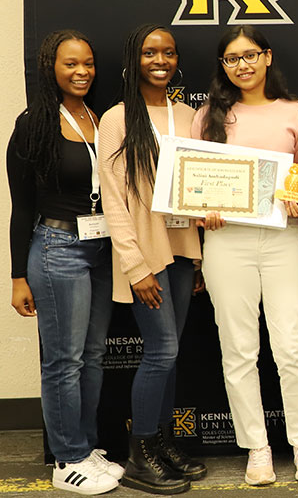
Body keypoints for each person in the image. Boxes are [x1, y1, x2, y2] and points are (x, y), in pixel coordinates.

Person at [192, 25, 298, 486]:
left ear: (267, 57)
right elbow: (195, 180)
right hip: (227, 243)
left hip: (285, 237)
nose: (242, 65)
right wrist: (201, 209)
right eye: (232, 58)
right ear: (223, 66)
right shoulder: (208, 115)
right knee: (239, 350)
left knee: (293, 344)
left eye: (250, 55)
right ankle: (257, 449)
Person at [7, 30, 121, 495]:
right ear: (50, 67)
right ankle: (66, 458)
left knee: (91, 357)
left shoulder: (97, 116)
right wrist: (17, 275)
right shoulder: (34, 121)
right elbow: (20, 206)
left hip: (101, 248)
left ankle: (86, 447)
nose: (81, 72)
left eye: (88, 63)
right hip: (57, 248)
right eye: (71, 63)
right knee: (63, 361)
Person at [99, 24, 205, 494]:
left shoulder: (188, 115)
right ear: (134, 59)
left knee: (172, 353)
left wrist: (200, 258)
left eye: (167, 52)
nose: (160, 60)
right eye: (149, 52)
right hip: (147, 252)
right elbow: (114, 202)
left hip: (184, 250)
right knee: (161, 351)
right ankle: (139, 453)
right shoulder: (117, 119)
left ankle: (161, 443)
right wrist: (135, 266)